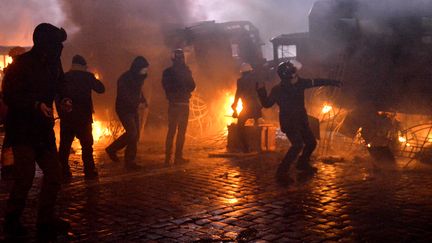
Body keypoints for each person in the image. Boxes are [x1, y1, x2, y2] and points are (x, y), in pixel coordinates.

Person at [1, 23, 70, 240]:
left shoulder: (54, 64)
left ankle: (45, 218)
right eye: (55, 43)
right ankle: (12, 221)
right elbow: (10, 94)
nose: (59, 48)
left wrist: (65, 100)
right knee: (25, 176)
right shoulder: (21, 65)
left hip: (43, 130)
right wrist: (35, 104)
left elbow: (61, 87)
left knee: (54, 175)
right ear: (44, 43)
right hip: (22, 130)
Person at [257, 61, 342, 177]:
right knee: (297, 145)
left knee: (311, 143)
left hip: (301, 121)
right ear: (288, 76)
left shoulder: (300, 83)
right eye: (295, 74)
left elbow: (316, 82)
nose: (298, 76)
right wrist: (261, 91)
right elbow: (267, 104)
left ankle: (302, 164)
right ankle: (282, 171)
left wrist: (332, 82)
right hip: (289, 123)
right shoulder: (277, 90)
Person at [58, 55, 105, 180]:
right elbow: (101, 89)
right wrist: (92, 77)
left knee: (65, 146)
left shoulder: (65, 77)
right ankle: (89, 171)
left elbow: (58, 96)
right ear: (84, 66)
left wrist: (62, 112)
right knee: (86, 146)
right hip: (83, 118)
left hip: (67, 118)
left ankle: (63, 171)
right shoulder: (87, 77)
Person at [105, 56, 149, 170]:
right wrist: (137, 104)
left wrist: (143, 100)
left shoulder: (138, 77)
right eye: (144, 68)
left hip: (132, 109)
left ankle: (130, 162)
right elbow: (124, 95)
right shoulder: (124, 79)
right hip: (124, 109)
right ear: (138, 67)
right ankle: (112, 149)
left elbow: (138, 91)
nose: (146, 71)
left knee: (135, 135)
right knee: (132, 133)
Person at [162, 49, 196, 164]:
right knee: (181, 132)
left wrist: (171, 96)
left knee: (171, 131)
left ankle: (167, 158)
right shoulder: (186, 71)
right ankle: (178, 157)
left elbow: (165, 87)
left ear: (173, 58)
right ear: (183, 58)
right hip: (184, 104)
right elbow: (192, 85)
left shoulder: (167, 72)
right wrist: (185, 91)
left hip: (173, 105)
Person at [1, 46, 26, 180]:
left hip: (13, 112)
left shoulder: (11, 72)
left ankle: (10, 165)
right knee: (13, 139)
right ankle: (11, 166)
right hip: (16, 112)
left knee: (11, 139)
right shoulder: (15, 72)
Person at [231, 63, 263, 152]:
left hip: (247, 108)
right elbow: (261, 93)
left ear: (242, 72)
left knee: (239, 127)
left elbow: (238, 94)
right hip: (257, 108)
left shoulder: (240, 81)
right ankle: (258, 145)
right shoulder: (256, 80)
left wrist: (234, 107)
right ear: (250, 71)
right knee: (256, 125)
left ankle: (246, 148)